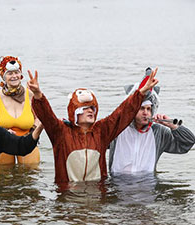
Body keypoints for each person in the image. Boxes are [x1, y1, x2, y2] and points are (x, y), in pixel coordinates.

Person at [27, 68, 159, 183]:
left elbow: (122, 113)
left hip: (97, 197)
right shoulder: (61, 131)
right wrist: (38, 95)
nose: (90, 110)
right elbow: (47, 116)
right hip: (68, 197)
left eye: (92, 108)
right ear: (75, 111)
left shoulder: (101, 131)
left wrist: (141, 93)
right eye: (85, 108)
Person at [109, 68, 195, 174]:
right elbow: (93, 138)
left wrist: (173, 127)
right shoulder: (117, 129)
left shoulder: (159, 132)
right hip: (118, 184)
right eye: (141, 108)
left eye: (149, 109)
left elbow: (187, 144)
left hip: (147, 184)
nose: (146, 113)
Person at [0, 56, 40, 164]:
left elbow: (39, 118)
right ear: (3, 76)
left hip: (27, 140)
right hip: (4, 142)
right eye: (10, 73)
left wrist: (31, 134)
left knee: (31, 173)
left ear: (21, 75)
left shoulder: (30, 94)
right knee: (5, 176)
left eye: (16, 72)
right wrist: (3, 132)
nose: (14, 76)